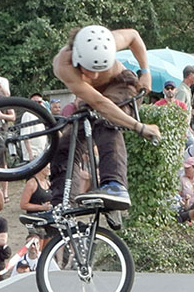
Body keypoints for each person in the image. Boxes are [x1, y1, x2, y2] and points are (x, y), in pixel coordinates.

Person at [47, 25, 162, 212]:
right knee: (65, 146)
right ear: (77, 58)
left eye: (100, 69)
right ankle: (62, 203)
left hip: (122, 84)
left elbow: (134, 35)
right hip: (95, 97)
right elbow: (99, 102)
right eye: (88, 69)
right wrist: (139, 127)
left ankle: (115, 185)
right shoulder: (63, 65)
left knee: (105, 120)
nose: (94, 75)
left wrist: (146, 71)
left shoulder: (109, 40)